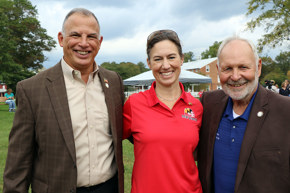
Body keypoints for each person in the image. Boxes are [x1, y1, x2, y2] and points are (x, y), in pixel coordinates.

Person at [3, 8, 124, 193]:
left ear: (99, 42)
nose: (84, 43)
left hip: (109, 187)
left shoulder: (114, 82)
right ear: (61, 39)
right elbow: (18, 163)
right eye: (75, 35)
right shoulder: (31, 89)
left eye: (91, 37)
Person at [198, 36, 290, 193]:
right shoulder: (208, 104)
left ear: (258, 67)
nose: (235, 76)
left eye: (243, 67)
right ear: (219, 70)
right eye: (227, 68)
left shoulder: (285, 110)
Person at [123, 30, 203, 193]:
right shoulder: (134, 104)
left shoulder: (197, 106)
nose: (165, 65)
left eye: (171, 57)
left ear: (182, 59)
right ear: (149, 63)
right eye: (158, 59)